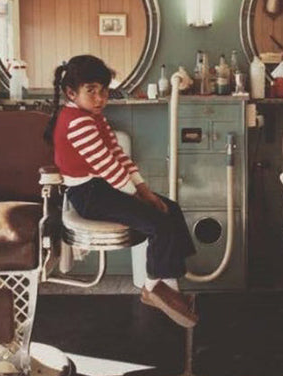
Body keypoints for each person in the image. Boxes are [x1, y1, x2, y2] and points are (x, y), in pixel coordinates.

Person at [45, 55, 198, 328]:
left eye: (103, 90)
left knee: (170, 208)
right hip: (89, 195)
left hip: (104, 187)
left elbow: (118, 156)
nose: (100, 97)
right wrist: (138, 196)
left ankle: (170, 286)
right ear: (71, 92)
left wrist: (143, 189)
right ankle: (153, 288)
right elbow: (107, 167)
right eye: (90, 90)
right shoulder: (77, 121)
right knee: (158, 222)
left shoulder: (94, 117)